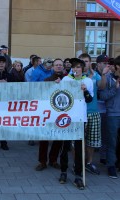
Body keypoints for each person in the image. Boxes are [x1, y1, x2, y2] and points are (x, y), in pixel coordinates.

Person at [59, 58, 93, 190]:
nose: (76, 69)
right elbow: (59, 96)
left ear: (83, 68)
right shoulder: (66, 79)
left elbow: (90, 100)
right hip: (67, 117)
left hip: (80, 118)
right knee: (65, 145)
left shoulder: (88, 81)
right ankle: (63, 172)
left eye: (79, 67)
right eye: (74, 67)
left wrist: (84, 90)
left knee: (79, 148)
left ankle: (78, 175)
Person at [79, 53, 109, 175]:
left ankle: (89, 163)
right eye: (81, 61)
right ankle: (78, 163)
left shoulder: (95, 74)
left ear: (90, 63)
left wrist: (103, 74)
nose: (84, 63)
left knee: (92, 141)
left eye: (86, 61)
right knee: (77, 141)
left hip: (93, 112)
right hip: (79, 113)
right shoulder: (74, 75)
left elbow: (102, 86)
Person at [35, 59, 63, 171]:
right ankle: (42, 161)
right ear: (52, 67)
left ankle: (53, 160)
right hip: (48, 113)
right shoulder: (47, 80)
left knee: (58, 138)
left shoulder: (67, 80)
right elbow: (42, 95)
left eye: (60, 65)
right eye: (56, 65)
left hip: (61, 113)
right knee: (44, 138)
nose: (59, 67)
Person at [99, 55, 120, 179]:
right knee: (112, 141)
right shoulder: (108, 78)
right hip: (113, 114)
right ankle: (111, 165)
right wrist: (115, 89)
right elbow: (102, 96)